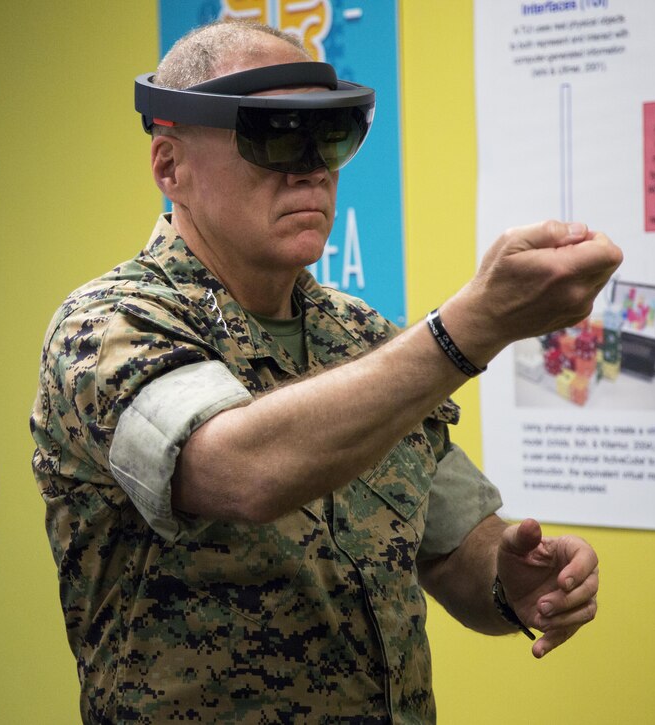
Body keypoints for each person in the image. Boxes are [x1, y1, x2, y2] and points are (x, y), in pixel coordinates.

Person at [30, 21, 620, 723]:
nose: (312, 168)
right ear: (169, 167)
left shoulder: (363, 336)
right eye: (276, 135)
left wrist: (514, 581)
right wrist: (469, 328)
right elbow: (238, 470)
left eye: (330, 136)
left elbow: (456, 545)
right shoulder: (106, 328)